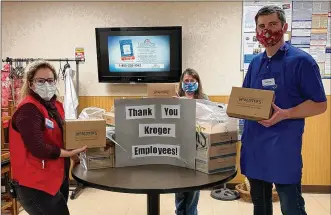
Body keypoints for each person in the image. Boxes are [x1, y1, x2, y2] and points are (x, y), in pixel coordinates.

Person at [241, 5, 327, 215]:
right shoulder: (256, 64)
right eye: (262, 26)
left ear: (284, 26)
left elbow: (320, 104)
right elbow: (245, 100)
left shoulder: (301, 61)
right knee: (260, 207)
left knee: (292, 207)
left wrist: (286, 114)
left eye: (273, 24)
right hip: (255, 147)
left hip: (283, 149)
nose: (267, 30)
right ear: (256, 31)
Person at [9, 61, 87, 215]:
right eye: (41, 81)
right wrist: (70, 154)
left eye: (50, 80)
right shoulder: (28, 110)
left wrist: (75, 156)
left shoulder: (55, 106)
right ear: (31, 84)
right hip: (35, 184)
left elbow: (62, 136)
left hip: (56, 178)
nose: (47, 84)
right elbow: (38, 148)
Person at [175, 68, 208, 215]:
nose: (189, 84)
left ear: (197, 83)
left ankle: (191, 213)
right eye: (186, 81)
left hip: (198, 147)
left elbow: (209, 121)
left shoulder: (204, 99)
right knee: (180, 187)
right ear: (182, 82)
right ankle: (179, 212)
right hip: (179, 148)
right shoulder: (175, 98)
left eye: (192, 81)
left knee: (194, 187)